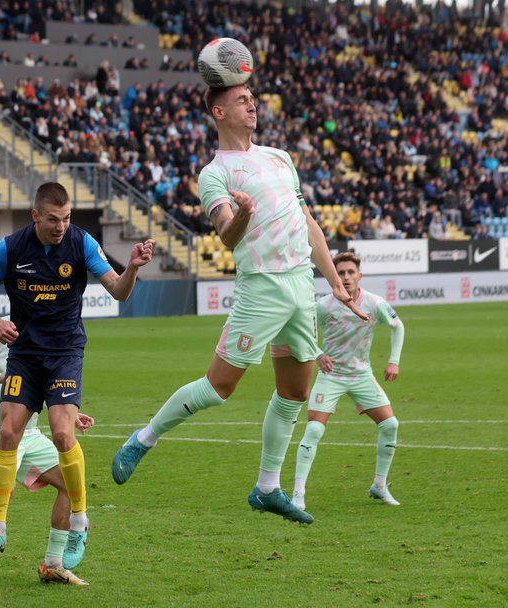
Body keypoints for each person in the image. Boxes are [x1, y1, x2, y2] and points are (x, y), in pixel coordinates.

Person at [111, 84, 366, 525]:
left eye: (252, 96)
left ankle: (267, 487)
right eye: (241, 99)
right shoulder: (213, 174)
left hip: (300, 286)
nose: (252, 103)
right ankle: (144, 438)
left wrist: (335, 285)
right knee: (219, 388)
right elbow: (227, 235)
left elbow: (310, 226)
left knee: (295, 392)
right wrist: (244, 214)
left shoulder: (280, 157)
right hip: (261, 288)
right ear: (218, 110)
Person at [0, 181, 154, 585]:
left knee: (62, 433)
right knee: (7, 431)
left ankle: (81, 520)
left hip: (65, 353)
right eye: (53, 219)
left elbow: (119, 292)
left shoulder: (82, 243)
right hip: (24, 354)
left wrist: (134, 267)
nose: (61, 226)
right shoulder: (10, 248)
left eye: (67, 218)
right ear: (36, 215)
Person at [0, 322, 95, 594]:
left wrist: (69, 414)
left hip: (29, 431)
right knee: (2, 489)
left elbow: (47, 380)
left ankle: (53, 564)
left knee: (70, 483)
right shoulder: (0, 327)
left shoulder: (48, 329)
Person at [291, 251, 406, 510]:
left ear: (359, 276)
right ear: (334, 276)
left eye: (350, 272)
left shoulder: (374, 303)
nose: (345, 277)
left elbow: (398, 326)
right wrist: (318, 354)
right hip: (331, 376)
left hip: (361, 375)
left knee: (390, 425)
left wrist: (394, 360)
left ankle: (379, 485)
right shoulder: (324, 305)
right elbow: (302, 331)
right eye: (340, 273)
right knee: (314, 429)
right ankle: (298, 493)